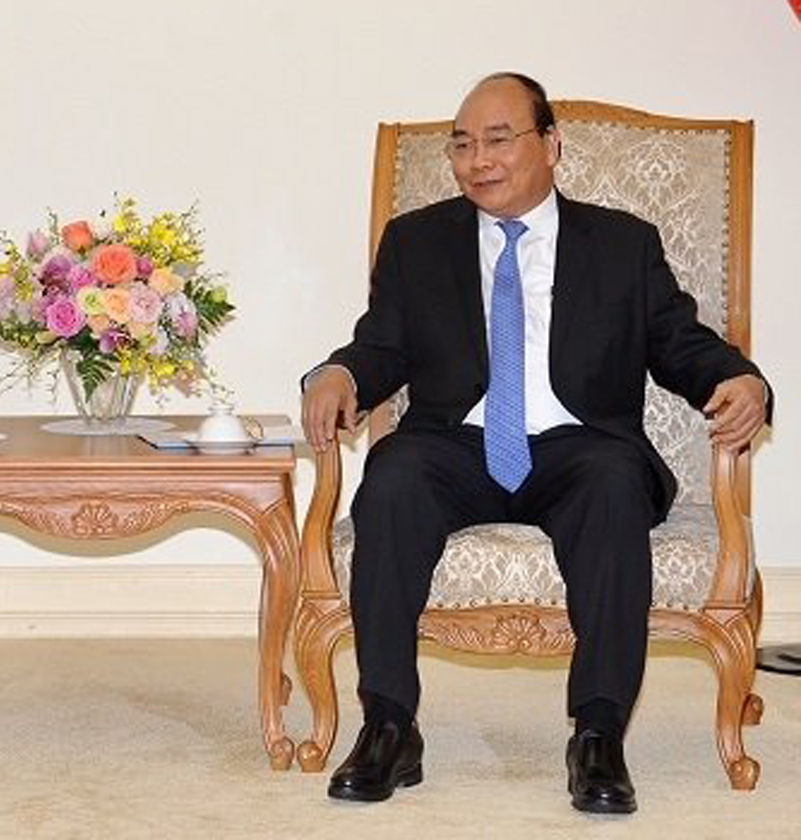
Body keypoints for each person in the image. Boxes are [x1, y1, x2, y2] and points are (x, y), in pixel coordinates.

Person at [301, 72, 770, 814]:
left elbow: (678, 342)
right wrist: (335, 373)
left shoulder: (622, 244)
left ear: (551, 145)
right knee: (390, 478)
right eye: (462, 144)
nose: (476, 159)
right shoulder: (417, 241)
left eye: (497, 139)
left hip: (577, 445)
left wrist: (741, 379)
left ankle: (598, 733)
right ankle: (389, 724)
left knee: (614, 484)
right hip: (455, 442)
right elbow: (381, 346)